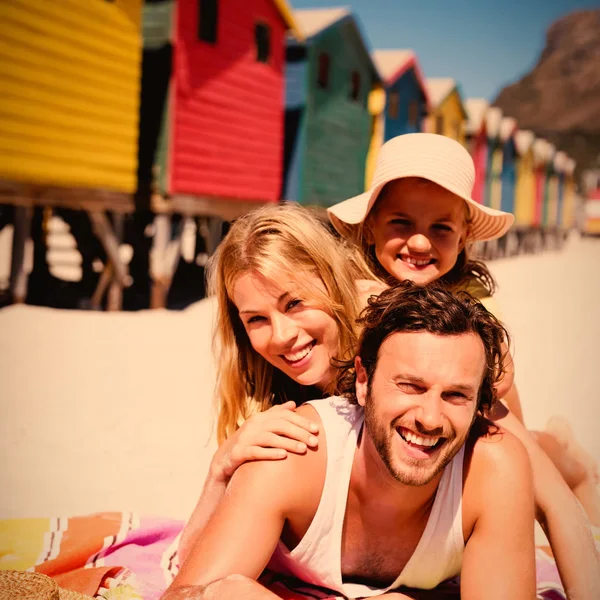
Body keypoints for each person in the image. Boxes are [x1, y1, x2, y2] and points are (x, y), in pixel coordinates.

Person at [325, 132, 600, 597]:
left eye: (440, 229)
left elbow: (503, 409)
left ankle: (572, 464)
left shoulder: (467, 316)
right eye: (400, 222)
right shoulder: (347, 295)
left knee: (536, 473)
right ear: (369, 226)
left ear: (463, 237)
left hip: (475, 416)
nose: (418, 241)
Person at [165, 283, 537, 600]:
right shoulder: (295, 451)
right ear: (362, 380)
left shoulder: (493, 469)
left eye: (456, 395)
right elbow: (188, 593)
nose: (429, 417)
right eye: (409, 386)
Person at [177, 203, 381, 563]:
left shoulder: (389, 344)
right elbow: (189, 563)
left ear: (333, 281)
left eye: (295, 302)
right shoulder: (269, 395)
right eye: (256, 319)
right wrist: (220, 469)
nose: (282, 335)